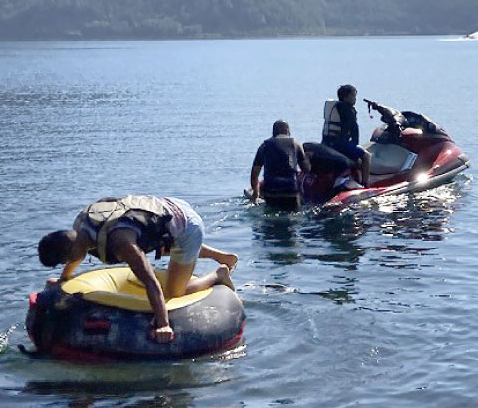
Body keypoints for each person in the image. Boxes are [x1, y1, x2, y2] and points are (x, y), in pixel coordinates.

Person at [37, 195, 238, 344]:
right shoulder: (80, 226)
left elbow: (150, 280)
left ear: (69, 252)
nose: (67, 265)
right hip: (166, 207)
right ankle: (220, 255)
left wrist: (163, 324)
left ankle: (218, 274)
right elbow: (76, 255)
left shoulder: (122, 243)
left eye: (64, 262)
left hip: (186, 225)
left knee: (175, 292)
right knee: (156, 240)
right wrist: (64, 279)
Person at [250, 120, 311, 210]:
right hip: (290, 190)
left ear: (273, 132)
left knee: (270, 220)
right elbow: (306, 170)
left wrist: (256, 193)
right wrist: (308, 158)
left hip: (271, 191)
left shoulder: (264, 146)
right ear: (287, 131)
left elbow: (254, 174)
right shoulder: (295, 144)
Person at [322, 84, 371, 186]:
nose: (355, 99)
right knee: (366, 156)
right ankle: (365, 184)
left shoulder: (334, 107)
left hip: (326, 143)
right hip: (339, 145)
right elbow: (354, 130)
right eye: (353, 96)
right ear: (345, 97)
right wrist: (355, 148)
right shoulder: (348, 109)